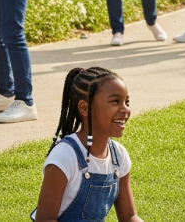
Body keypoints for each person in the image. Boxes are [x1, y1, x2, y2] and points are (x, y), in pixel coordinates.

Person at [32, 67, 144, 222]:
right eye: (115, 101)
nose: (125, 109)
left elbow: (129, 216)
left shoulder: (119, 156)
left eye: (127, 102)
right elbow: (44, 219)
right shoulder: (64, 157)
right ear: (85, 108)